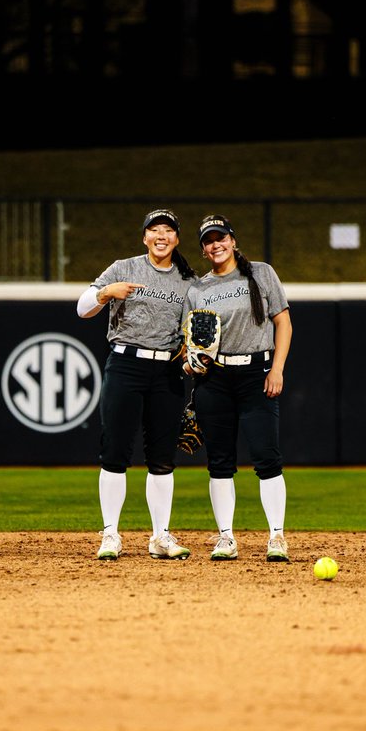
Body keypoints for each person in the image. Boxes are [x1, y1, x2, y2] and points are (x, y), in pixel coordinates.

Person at [77, 208, 198, 561]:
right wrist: (105, 293)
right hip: (126, 364)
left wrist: (192, 358)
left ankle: (160, 537)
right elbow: (82, 308)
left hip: (167, 370)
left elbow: (194, 331)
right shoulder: (123, 268)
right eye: (155, 230)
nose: (162, 236)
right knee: (115, 451)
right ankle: (110, 534)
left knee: (162, 457)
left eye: (168, 230)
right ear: (144, 237)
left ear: (177, 238)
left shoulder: (189, 280)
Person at [184, 214, 293, 562]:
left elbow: (283, 322)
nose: (215, 244)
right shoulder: (197, 290)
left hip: (256, 374)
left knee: (266, 457)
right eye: (208, 241)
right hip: (214, 380)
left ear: (232, 240)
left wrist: (277, 369)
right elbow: (188, 348)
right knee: (219, 462)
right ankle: (226, 538)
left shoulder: (261, 273)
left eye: (221, 237)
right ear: (203, 250)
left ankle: (277, 536)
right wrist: (191, 363)